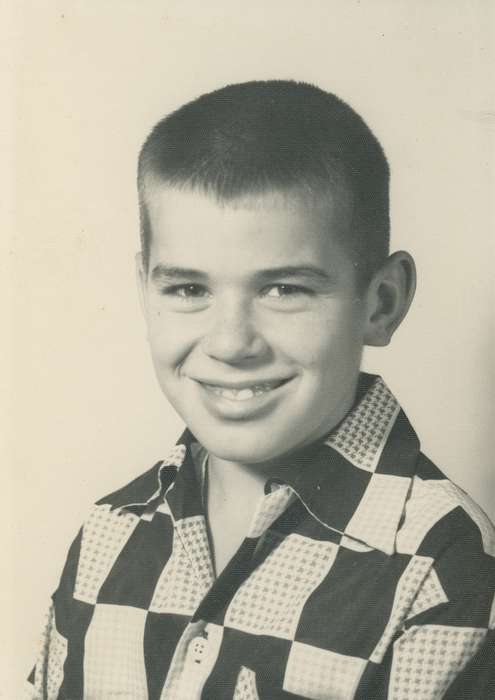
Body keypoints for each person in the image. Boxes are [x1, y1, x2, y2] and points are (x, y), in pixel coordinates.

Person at [27, 80, 494, 700]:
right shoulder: (107, 534)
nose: (231, 343)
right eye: (189, 289)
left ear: (381, 303)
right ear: (144, 288)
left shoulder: (443, 568)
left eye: (285, 290)